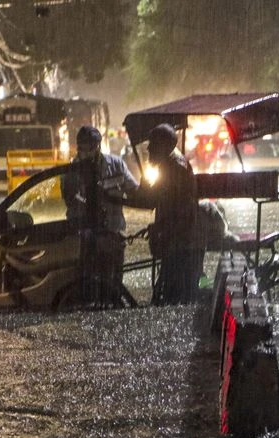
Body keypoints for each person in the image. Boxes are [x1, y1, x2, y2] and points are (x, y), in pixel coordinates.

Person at [62, 126, 138, 284]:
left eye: (90, 148)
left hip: (112, 233)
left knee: (113, 282)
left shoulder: (116, 165)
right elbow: (69, 200)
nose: (86, 153)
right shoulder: (70, 171)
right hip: (83, 237)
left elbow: (134, 192)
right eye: (82, 148)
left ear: (98, 146)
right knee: (86, 283)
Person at [134, 123, 200, 304]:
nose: (148, 148)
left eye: (152, 144)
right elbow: (152, 198)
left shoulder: (174, 168)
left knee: (171, 295)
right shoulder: (169, 165)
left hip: (180, 240)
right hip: (173, 234)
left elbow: (157, 201)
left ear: (164, 146)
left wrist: (160, 227)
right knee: (166, 291)